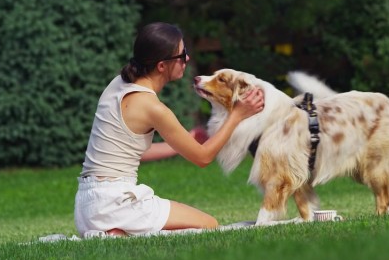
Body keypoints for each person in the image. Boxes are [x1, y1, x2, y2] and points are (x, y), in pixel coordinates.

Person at [74, 22, 264, 237]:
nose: (187, 59)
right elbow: (203, 158)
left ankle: (117, 231)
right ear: (162, 66)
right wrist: (238, 114)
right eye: (182, 55)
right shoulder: (153, 107)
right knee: (208, 225)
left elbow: (131, 152)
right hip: (116, 203)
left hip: (87, 205)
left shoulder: (117, 84)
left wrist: (184, 142)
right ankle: (118, 234)